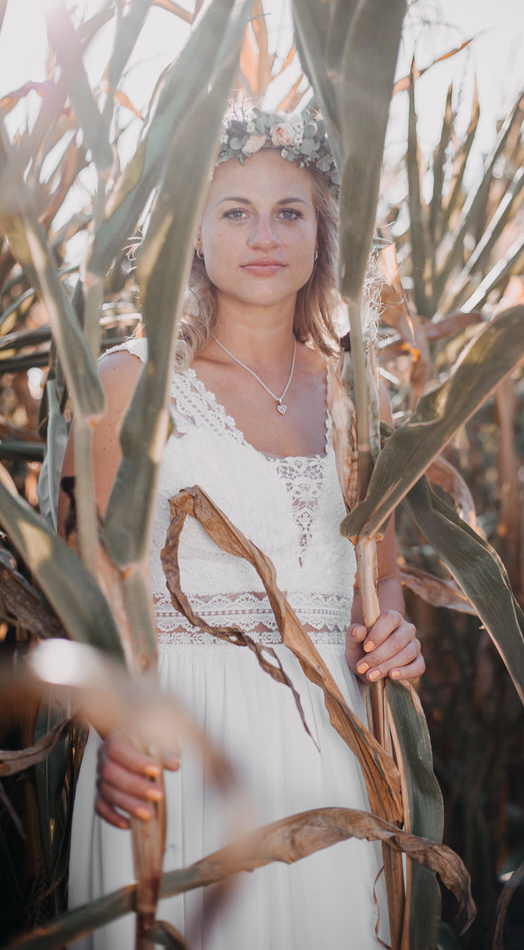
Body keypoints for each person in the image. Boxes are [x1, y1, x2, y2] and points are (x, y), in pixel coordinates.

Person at [63, 105, 424, 949]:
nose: (264, 235)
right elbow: (83, 588)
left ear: (321, 232)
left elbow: (380, 574)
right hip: (178, 760)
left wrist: (397, 627)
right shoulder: (130, 383)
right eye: (235, 211)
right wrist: (110, 724)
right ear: (193, 231)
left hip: (339, 765)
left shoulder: (359, 398)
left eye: (288, 212)